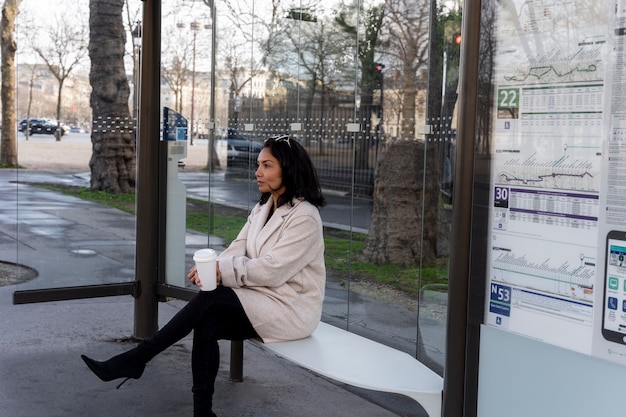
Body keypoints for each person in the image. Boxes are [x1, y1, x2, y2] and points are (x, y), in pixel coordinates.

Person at [81, 134, 326, 417]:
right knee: (206, 322)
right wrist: (212, 267)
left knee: (212, 298)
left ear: (289, 168)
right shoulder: (263, 207)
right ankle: (202, 411)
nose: (257, 172)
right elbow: (239, 246)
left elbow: (273, 269)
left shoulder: (304, 216)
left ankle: (138, 358)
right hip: (264, 300)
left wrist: (221, 272)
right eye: (258, 164)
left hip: (291, 308)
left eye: (267, 165)